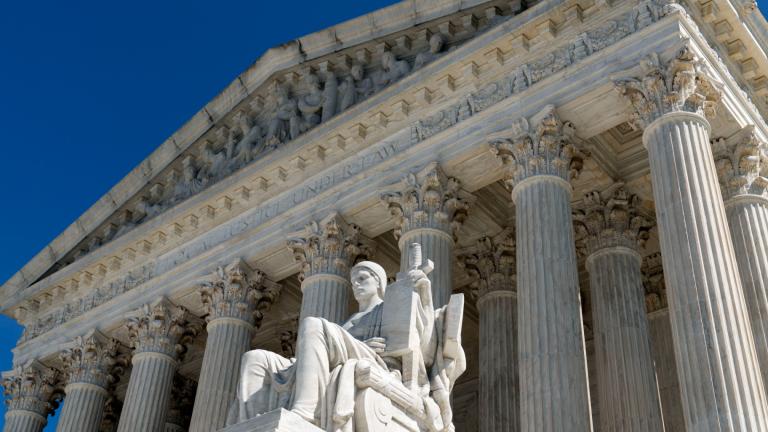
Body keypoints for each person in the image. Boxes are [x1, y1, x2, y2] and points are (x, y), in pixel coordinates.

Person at [227, 247, 463, 431]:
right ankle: (251, 424)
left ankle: (307, 412)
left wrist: (421, 294)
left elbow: (423, 348)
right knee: (255, 358)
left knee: (313, 325)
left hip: (379, 362)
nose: (356, 285)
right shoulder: (349, 320)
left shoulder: (388, 309)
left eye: (363, 279)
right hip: (346, 357)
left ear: (379, 283)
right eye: (353, 282)